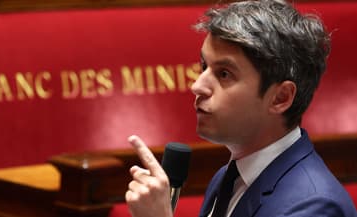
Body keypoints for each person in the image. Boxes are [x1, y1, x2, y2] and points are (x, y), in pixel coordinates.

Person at [125, 0, 357, 217]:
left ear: (280, 97)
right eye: (204, 66)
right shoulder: (228, 178)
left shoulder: (314, 206)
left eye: (224, 73)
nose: (197, 86)